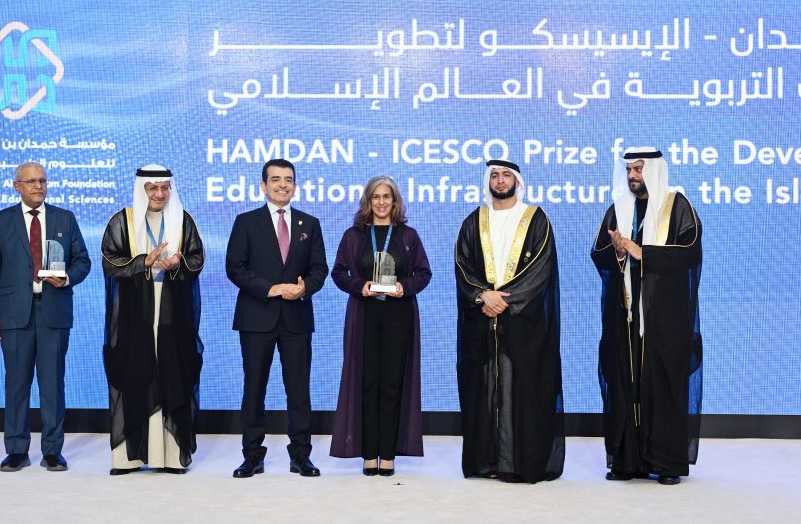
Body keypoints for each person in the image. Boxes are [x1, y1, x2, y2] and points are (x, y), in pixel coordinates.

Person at [590, 147, 703, 486]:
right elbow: (598, 253)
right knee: (625, 383)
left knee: (662, 383)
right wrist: (618, 252)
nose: (632, 176)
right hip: (625, 316)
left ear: (652, 170)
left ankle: (666, 463)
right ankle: (626, 460)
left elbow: (690, 253)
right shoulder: (618, 210)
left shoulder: (678, 207)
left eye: (638, 169)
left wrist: (644, 253)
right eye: (628, 170)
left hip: (664, 318)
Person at [454, 160, 564, 483]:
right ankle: (487, 461)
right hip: (482, 324)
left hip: (524, 325)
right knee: (486, 389)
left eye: (506, 176)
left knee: (521, 391)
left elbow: (541, 268)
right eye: (495, 176)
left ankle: (518, 464)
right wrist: (482, 296)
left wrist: (503, 300)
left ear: (517, 181)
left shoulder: (536, 218)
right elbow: (462, 264)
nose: (500, 181)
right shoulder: (474, 221)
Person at [0, 161, 91, 472]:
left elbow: (83, 261)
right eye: (31, 181)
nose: (38, 186)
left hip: (53, 313)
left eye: (42, 180)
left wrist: (66, 278)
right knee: (16, 385)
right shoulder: (1, 220)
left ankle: (52, 451)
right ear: (17, 186)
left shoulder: (64, 218)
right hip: (14, 316)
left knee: (52, 384)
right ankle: (16, 450)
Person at [226, 158, 328, 478]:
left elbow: (319, 269)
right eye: (276, 179)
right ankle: (252, 456)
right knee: (254, 389)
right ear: (263, 185)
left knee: (298, 391)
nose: (282, 185)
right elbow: (235, 267)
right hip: (257, 317)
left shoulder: (310, 224)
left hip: (297, 318)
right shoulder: (246, 222)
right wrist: (270, 289)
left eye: (288, 179)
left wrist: (304, 288)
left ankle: (301, 455)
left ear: (295, 186)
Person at [101, 165, 205, 475]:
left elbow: (197, 258)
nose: (159, 194)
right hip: (134, 315)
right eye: (152, 188)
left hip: (174, 312)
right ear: (141, 189)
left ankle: (171, 456)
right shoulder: (123, 221)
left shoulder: (183, 220)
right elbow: (109, 261)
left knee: (173, 374)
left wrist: (178, 263)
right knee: (136, 374)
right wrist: (141, 263)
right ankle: (129, 458)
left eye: (164, 188)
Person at [330, 176, 432, 476]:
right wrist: (359, 286)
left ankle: (387, 454)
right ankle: (368, 453)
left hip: (399, 315)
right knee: (367, 382)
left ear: (395, 201)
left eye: (387, 196)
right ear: (368, 201)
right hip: (364, 315)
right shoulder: (353, 235)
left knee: (392, 384)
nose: (382, 202)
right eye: (376, 196)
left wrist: (404, 287)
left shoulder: (408, 235)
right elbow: (338, 273)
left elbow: (423, 273)